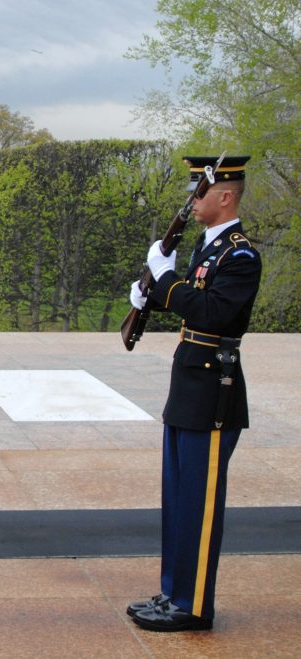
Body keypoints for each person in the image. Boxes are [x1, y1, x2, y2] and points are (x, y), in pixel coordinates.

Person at [126, 155, 261, 632]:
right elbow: (192, 303)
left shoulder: (239, 254)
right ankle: (173, 593)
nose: (192, 201)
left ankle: (194, 605)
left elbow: (212, 312)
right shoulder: (208, 249)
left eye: (199, 193)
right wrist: (152, 295)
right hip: (188, 389)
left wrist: (165, 282)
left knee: (200, 507)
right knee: (179, 499)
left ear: (226, 196)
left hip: (214, 395)